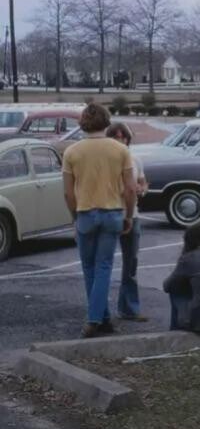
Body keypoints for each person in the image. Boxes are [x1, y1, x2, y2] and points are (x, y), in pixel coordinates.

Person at [63, 104, 136, 338]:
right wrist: (129, 215)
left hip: (85, 213)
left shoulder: (72, 152)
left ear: (83, 123)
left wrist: (75, 217)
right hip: (113, 212)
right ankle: (101, 318)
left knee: (89, 268)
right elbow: (131, 189)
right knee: (104, 266)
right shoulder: (120, 150)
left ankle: (94, 319)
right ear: (106, 122)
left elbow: (68, 193)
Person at [106, 122, 148, 322]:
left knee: (131, 263)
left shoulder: (135, 159)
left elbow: (142, 182)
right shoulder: (106, 161)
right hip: (111, 213)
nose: (120, 140)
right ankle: (101, 310)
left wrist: (141, 189)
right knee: (104, 263)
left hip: (133, 214)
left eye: (123, 137)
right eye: (116, 137)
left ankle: (129, 308)